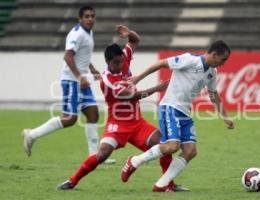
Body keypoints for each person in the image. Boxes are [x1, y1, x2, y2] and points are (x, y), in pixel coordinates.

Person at [57, 25, 188, 191]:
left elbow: (135, 40)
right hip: (117, 124)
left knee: (165, 146)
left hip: (137, 123)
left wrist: (129, 34)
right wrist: (156, 88)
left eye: (121, 61)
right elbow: (132, 96)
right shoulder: (108, 80)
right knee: (102, 154)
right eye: (115, 63)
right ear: (107, 62)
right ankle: (72, 181)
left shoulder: (124, 58)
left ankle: (169, 185)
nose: (120, 65)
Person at [121, 40, 235, 192]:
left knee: (190, 151)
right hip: (170, 107)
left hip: (185, 112)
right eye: (223, 59)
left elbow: (213, 94)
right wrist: (138, 78)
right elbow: (161, 63)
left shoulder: (212, 73)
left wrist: (225, 116)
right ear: (214, 55)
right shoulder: (189, 60)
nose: (224, 63)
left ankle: (161, 185)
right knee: (172, 146)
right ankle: (134, 161)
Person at [21, 6, 115, 164]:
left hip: (81, 81)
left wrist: (91, 69)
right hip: (72, 81)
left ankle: (95, 156)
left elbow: (82, 55)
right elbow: (68, 56)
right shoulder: (77, 34)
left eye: (92, 16)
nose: (90, 19)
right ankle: (32, 135)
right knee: (70, 118)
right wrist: (79, 77)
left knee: (93, 114)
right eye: (87, 16)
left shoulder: (88, 33)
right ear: (80, 18)